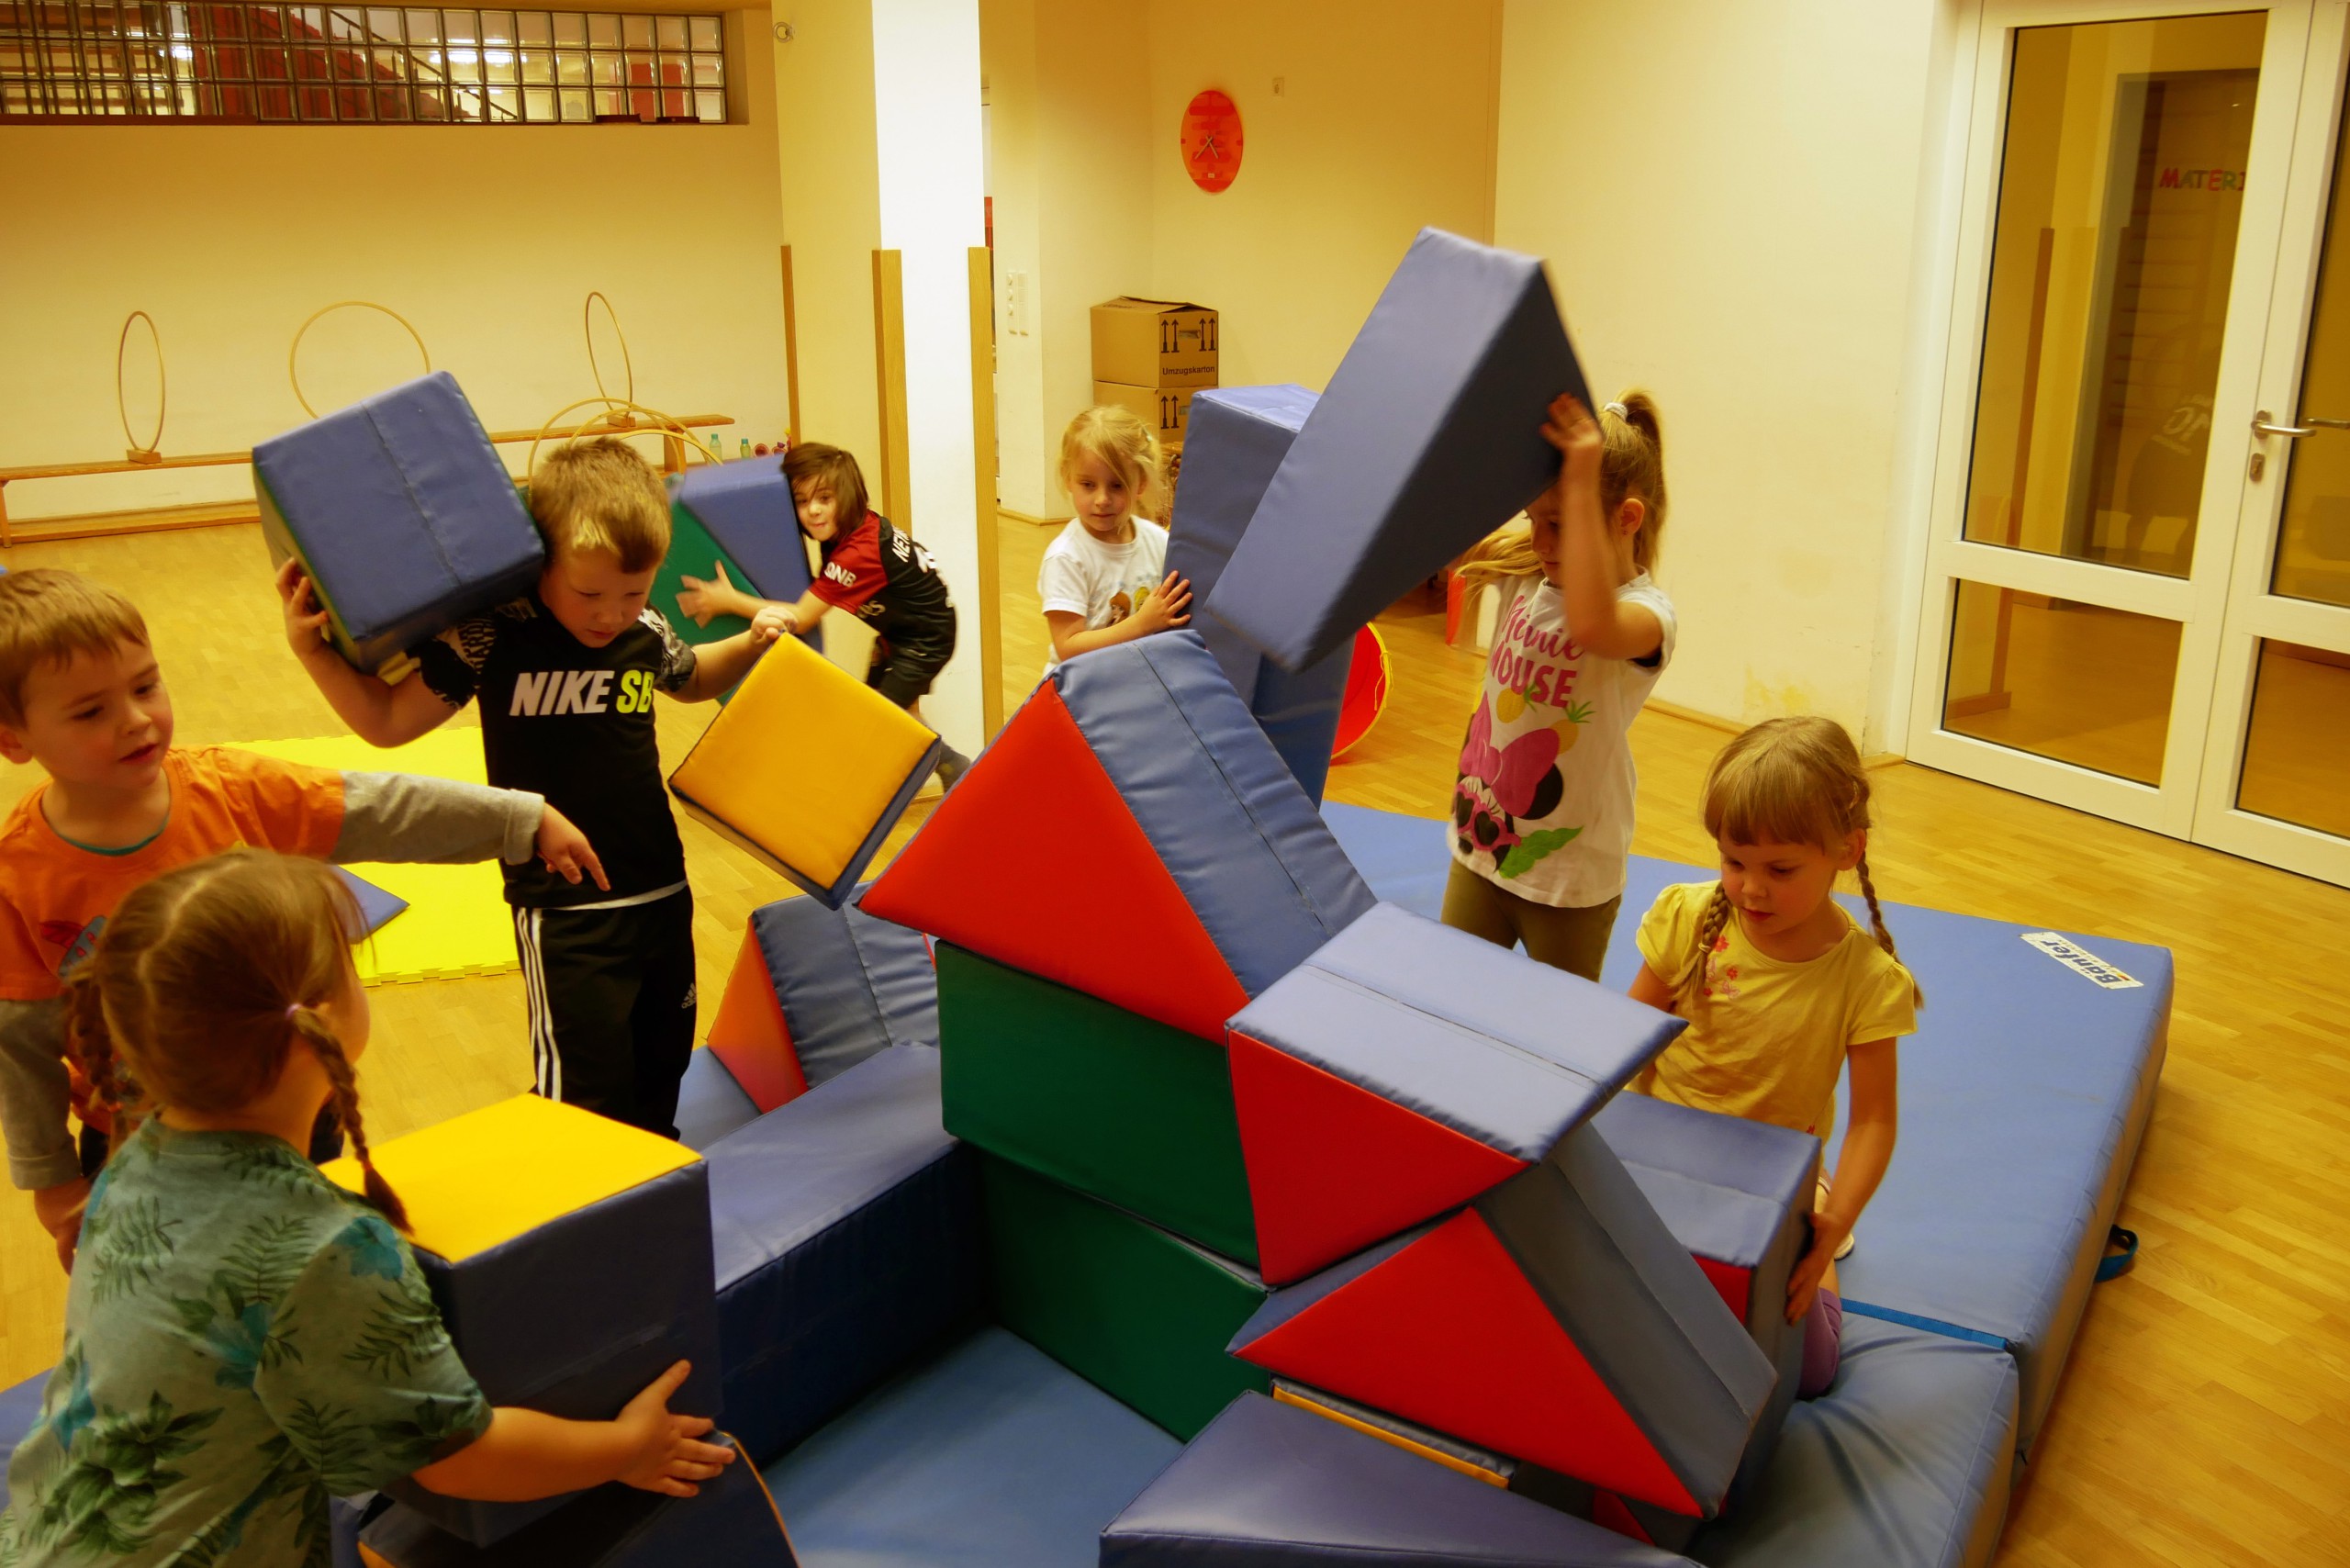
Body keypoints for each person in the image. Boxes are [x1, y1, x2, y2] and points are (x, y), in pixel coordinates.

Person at [0, 850, 733, 1566]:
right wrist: (627, 1449)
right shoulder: (324, 1248)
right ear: (320, 1021)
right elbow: (460, 1459)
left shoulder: (134, 1157)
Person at [0, 568, 599, 1273]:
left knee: (297, 1258)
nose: (135, 718)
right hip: (138, 1133)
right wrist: (51, 1175)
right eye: (90, 711)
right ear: (14, 738)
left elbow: (379, 807)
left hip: (290, 1102)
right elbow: (23, 1039)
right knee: (181, 1277)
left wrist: (518, 819)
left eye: (145, 686)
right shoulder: (21, 873)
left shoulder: (233, 792)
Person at [281, 437, 781, 1139]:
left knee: (660, 1070)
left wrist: (753, 642)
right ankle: (581, 1213)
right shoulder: (494, 636)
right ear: (541, 560)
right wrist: (312, 652)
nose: (610, 612)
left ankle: (648, 1196)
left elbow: (692, 676)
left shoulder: (642, 629)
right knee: (581, 1096)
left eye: (633, 592)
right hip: (565, 909)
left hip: (660, 892)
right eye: (589, 593)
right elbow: (387, 720)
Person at [1625, 715, 1920, 1395]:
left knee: (1810, 1375)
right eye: (1734, 862)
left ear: (1847, 849)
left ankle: (1822, 1247)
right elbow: (1626, 1037)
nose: (1751, 889)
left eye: (1780, 870)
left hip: (1770, 1178)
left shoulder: (1867, 980)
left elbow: (1874, 1121)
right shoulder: (1685, 917)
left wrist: (1830, 1227)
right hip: (1659, 1152)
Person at [1442, 392, 1674, 981]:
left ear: (1626, 519)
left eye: (1562, 525)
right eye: (1534, 520)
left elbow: (1593, 626)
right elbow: (1445, 534)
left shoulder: (1648, 615)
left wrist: (1580, 477)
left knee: (1556, 1036)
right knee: (1452, 998)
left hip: (1569, 876)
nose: (1543, 542)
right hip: (1482, 844)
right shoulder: (1528, 572)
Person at [675, 442, 973, 786]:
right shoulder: (853, 531)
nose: (813, 511)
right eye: (802, 501)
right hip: (902, 632)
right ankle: (938, 772)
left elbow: (801, 617)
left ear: (848, 497)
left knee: (881, 718)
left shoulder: (857, 553)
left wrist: (727, 600)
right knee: (897, 713)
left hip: (925, 638)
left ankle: (952, 769)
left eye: (824, 499)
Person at [1037, 406, 1192, 667]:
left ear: (1140, 483)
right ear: (1068, 478)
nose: (1102, 500)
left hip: (1134, 686)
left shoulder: (1157, 542)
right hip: (1080, 697)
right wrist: (1141, 624)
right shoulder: (1066, 557)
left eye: (1117, 485)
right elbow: (1068, 647)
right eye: (1088, 485)